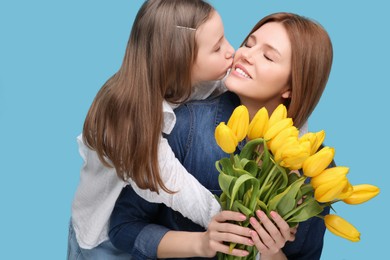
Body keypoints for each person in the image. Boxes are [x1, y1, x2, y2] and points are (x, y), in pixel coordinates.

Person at [109, 12, 333, 260]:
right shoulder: (187, 126)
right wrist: (202, 243)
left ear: (291, 87)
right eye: (249, 43)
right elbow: (123, 227)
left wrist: (269, 252)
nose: (245, 54)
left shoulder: (315, 170)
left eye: (268, 56)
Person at [67, 0, 235, 259]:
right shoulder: (124, 113)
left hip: (145, 214)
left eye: (225, 39)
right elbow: (169, 182)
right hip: (102, 235)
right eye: (217, 48)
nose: (231, 51)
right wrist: (229, 221)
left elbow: (244, 87)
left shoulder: (197, 75)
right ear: (179, 61)